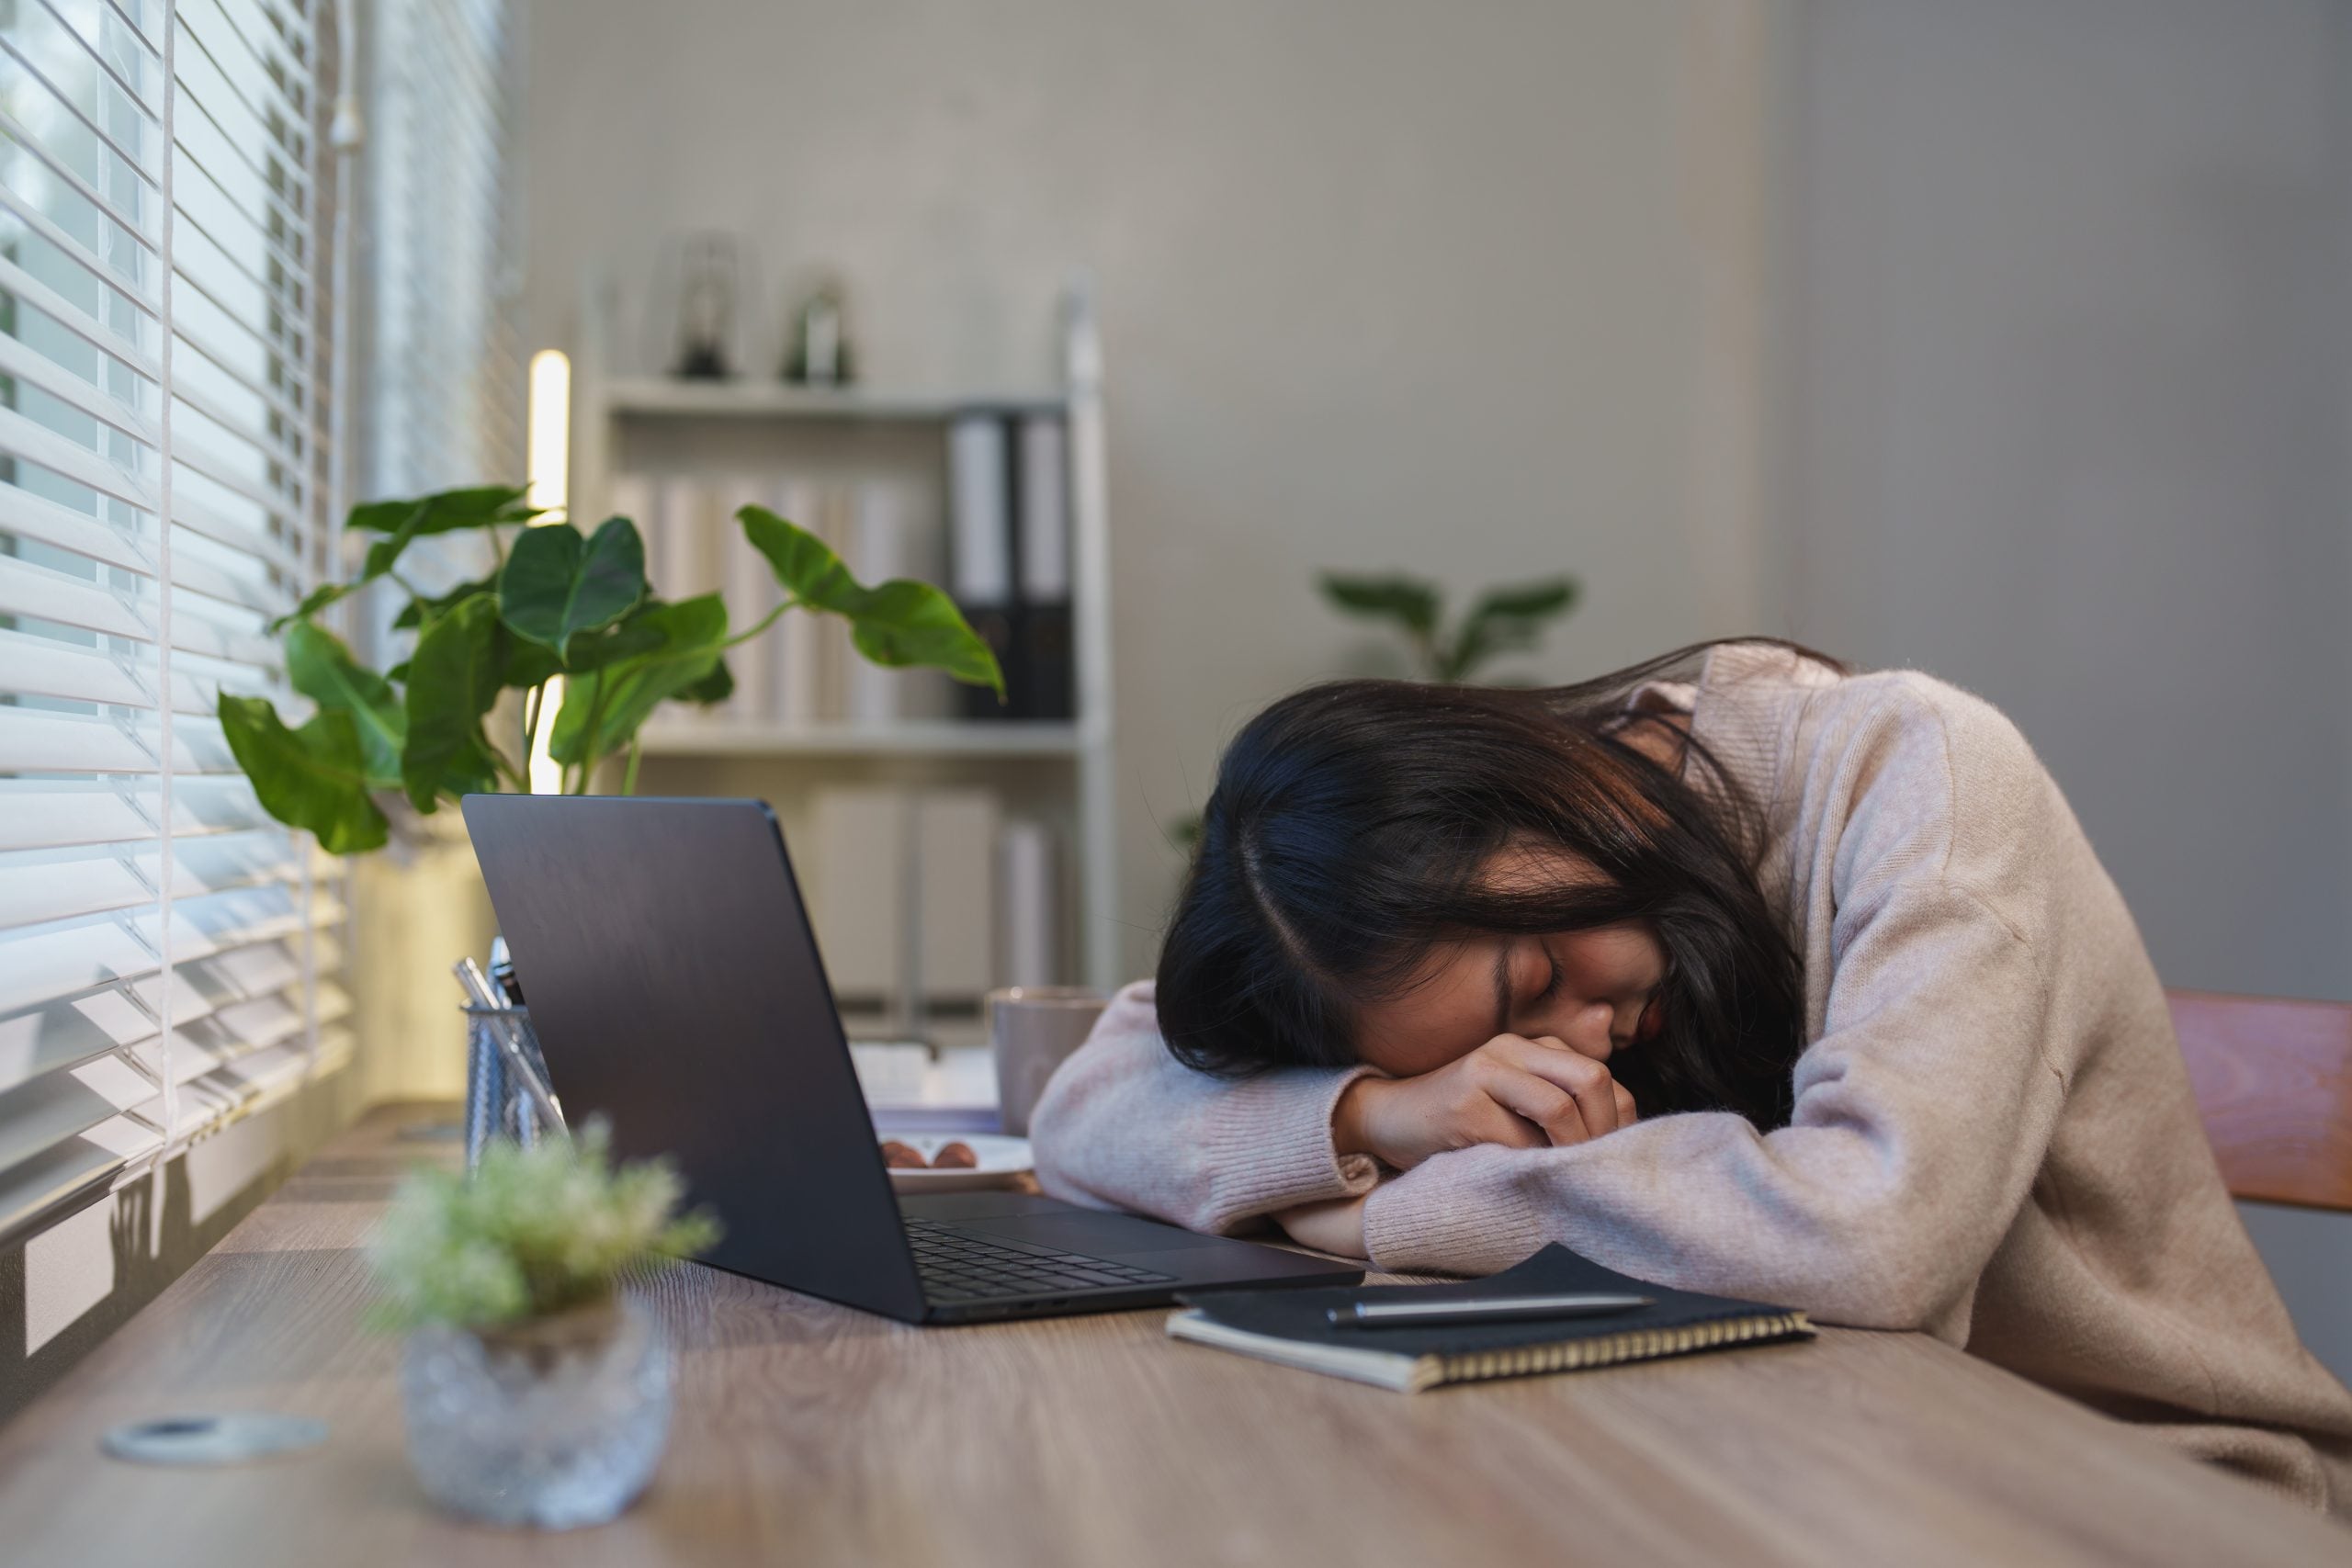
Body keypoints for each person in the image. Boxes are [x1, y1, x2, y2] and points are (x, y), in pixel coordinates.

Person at [1031, 640, 2352, 1515]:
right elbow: (1087, 1101)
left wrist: (1379, 1207)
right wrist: (1376, 1114)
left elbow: (1873, 1239)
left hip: (2143, 1480)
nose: (1581, 1045)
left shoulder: (1924, 781)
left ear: (1545, 789)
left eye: (1542, 979)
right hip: (1808, 1466)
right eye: (1499, 1044)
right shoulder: (1437, 973)